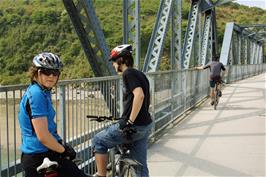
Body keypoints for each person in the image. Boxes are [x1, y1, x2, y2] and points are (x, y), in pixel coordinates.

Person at [18, 52, 89, 177]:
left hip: (44, 152)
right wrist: (64, 150)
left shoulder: (43, 91)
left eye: (55, 73)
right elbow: (43, 136)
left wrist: (60, 145)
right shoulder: (36, 94)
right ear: (37, 72)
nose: (51, 76)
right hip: (39, 156)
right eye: (46, 71)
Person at [92, 44, 153, 177]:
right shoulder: (140, 74)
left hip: (133, 126)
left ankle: (102, 175)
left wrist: (130, 121)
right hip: (145, 125)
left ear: (121, 60)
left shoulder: (128, 73)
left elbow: (140, 95)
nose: (113, 65)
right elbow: (147, 97)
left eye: (114, 61)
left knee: (98, 140)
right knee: (140, 166)